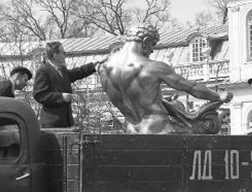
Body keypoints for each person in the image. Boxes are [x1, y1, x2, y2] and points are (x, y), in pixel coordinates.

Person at [98, 24, 232, 134]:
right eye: (152, 45)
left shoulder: (104, 69)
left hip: (131, 127)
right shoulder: (152, 67)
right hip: (156, 125)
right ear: (145, 42)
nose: (151, 51)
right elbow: (191, 87)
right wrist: (218, 95)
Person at [33, 41, 98, 128]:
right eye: (63, 53)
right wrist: (61, 97)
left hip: (67, 121)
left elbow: (77, 73)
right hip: (52, 124)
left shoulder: (62, 70)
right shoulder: (43, 71)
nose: (65, 55)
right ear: (55, 55)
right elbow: (39, 95)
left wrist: (93, 66)